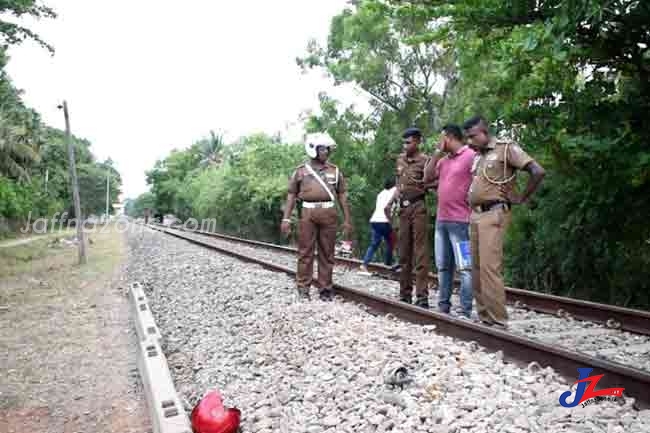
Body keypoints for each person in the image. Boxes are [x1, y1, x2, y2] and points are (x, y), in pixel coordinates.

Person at [463, 116, 545, 327]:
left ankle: (499, 322)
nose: (470, 141)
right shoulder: (478, 156)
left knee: (490, 268)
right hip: (475, 215)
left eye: (473, 136)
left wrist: (521, 198)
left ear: (484, 132)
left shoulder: (505, 148)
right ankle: (485, 319)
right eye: (467, 137)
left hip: (494, 213)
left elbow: (537, 171)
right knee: (477, 269)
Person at [280, 132, 353, 301]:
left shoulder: (335, 171)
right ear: (313, 149)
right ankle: (303, 288)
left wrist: (347, 220)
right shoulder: (300, 172)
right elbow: (291, 194)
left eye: (327, 149)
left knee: (327, 253)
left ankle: (325, 289)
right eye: (322, 149)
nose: (326, 152)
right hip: (307, 213)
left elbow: (342, 195)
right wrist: (286, 218)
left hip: (329, 213)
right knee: (305, 252)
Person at [423, 124, 476, 318]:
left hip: (461, 221)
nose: (439, 141)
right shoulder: (443, 161)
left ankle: (465, 308)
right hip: (442, 221)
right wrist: (437, 153)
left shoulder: (470, 155)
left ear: (450, 137)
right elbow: (426, 177)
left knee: (465, 267)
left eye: (441, 138)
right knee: (443, 266)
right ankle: (443, 306)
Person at [384, 127, 432, 308]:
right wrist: (390, 202)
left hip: (418, 207)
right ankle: (405, 294)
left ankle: (422, 296)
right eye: (403, 142)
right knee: (403, 253)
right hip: (402, 210)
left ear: (418, 141)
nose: (405, 146)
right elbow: (399, 184)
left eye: (408, 142)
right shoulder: (400, 160)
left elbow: (433, 182)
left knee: (420, 254)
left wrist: (423, 186)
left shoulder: (426, 161)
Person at [359, 177, 397, 274]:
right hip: (385, 220)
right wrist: (392, 222)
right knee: (390, 242)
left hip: (375, 220)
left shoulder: (381, 193)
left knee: (374, 244)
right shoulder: (395, 190)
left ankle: (364, 264)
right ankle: (388, 265)